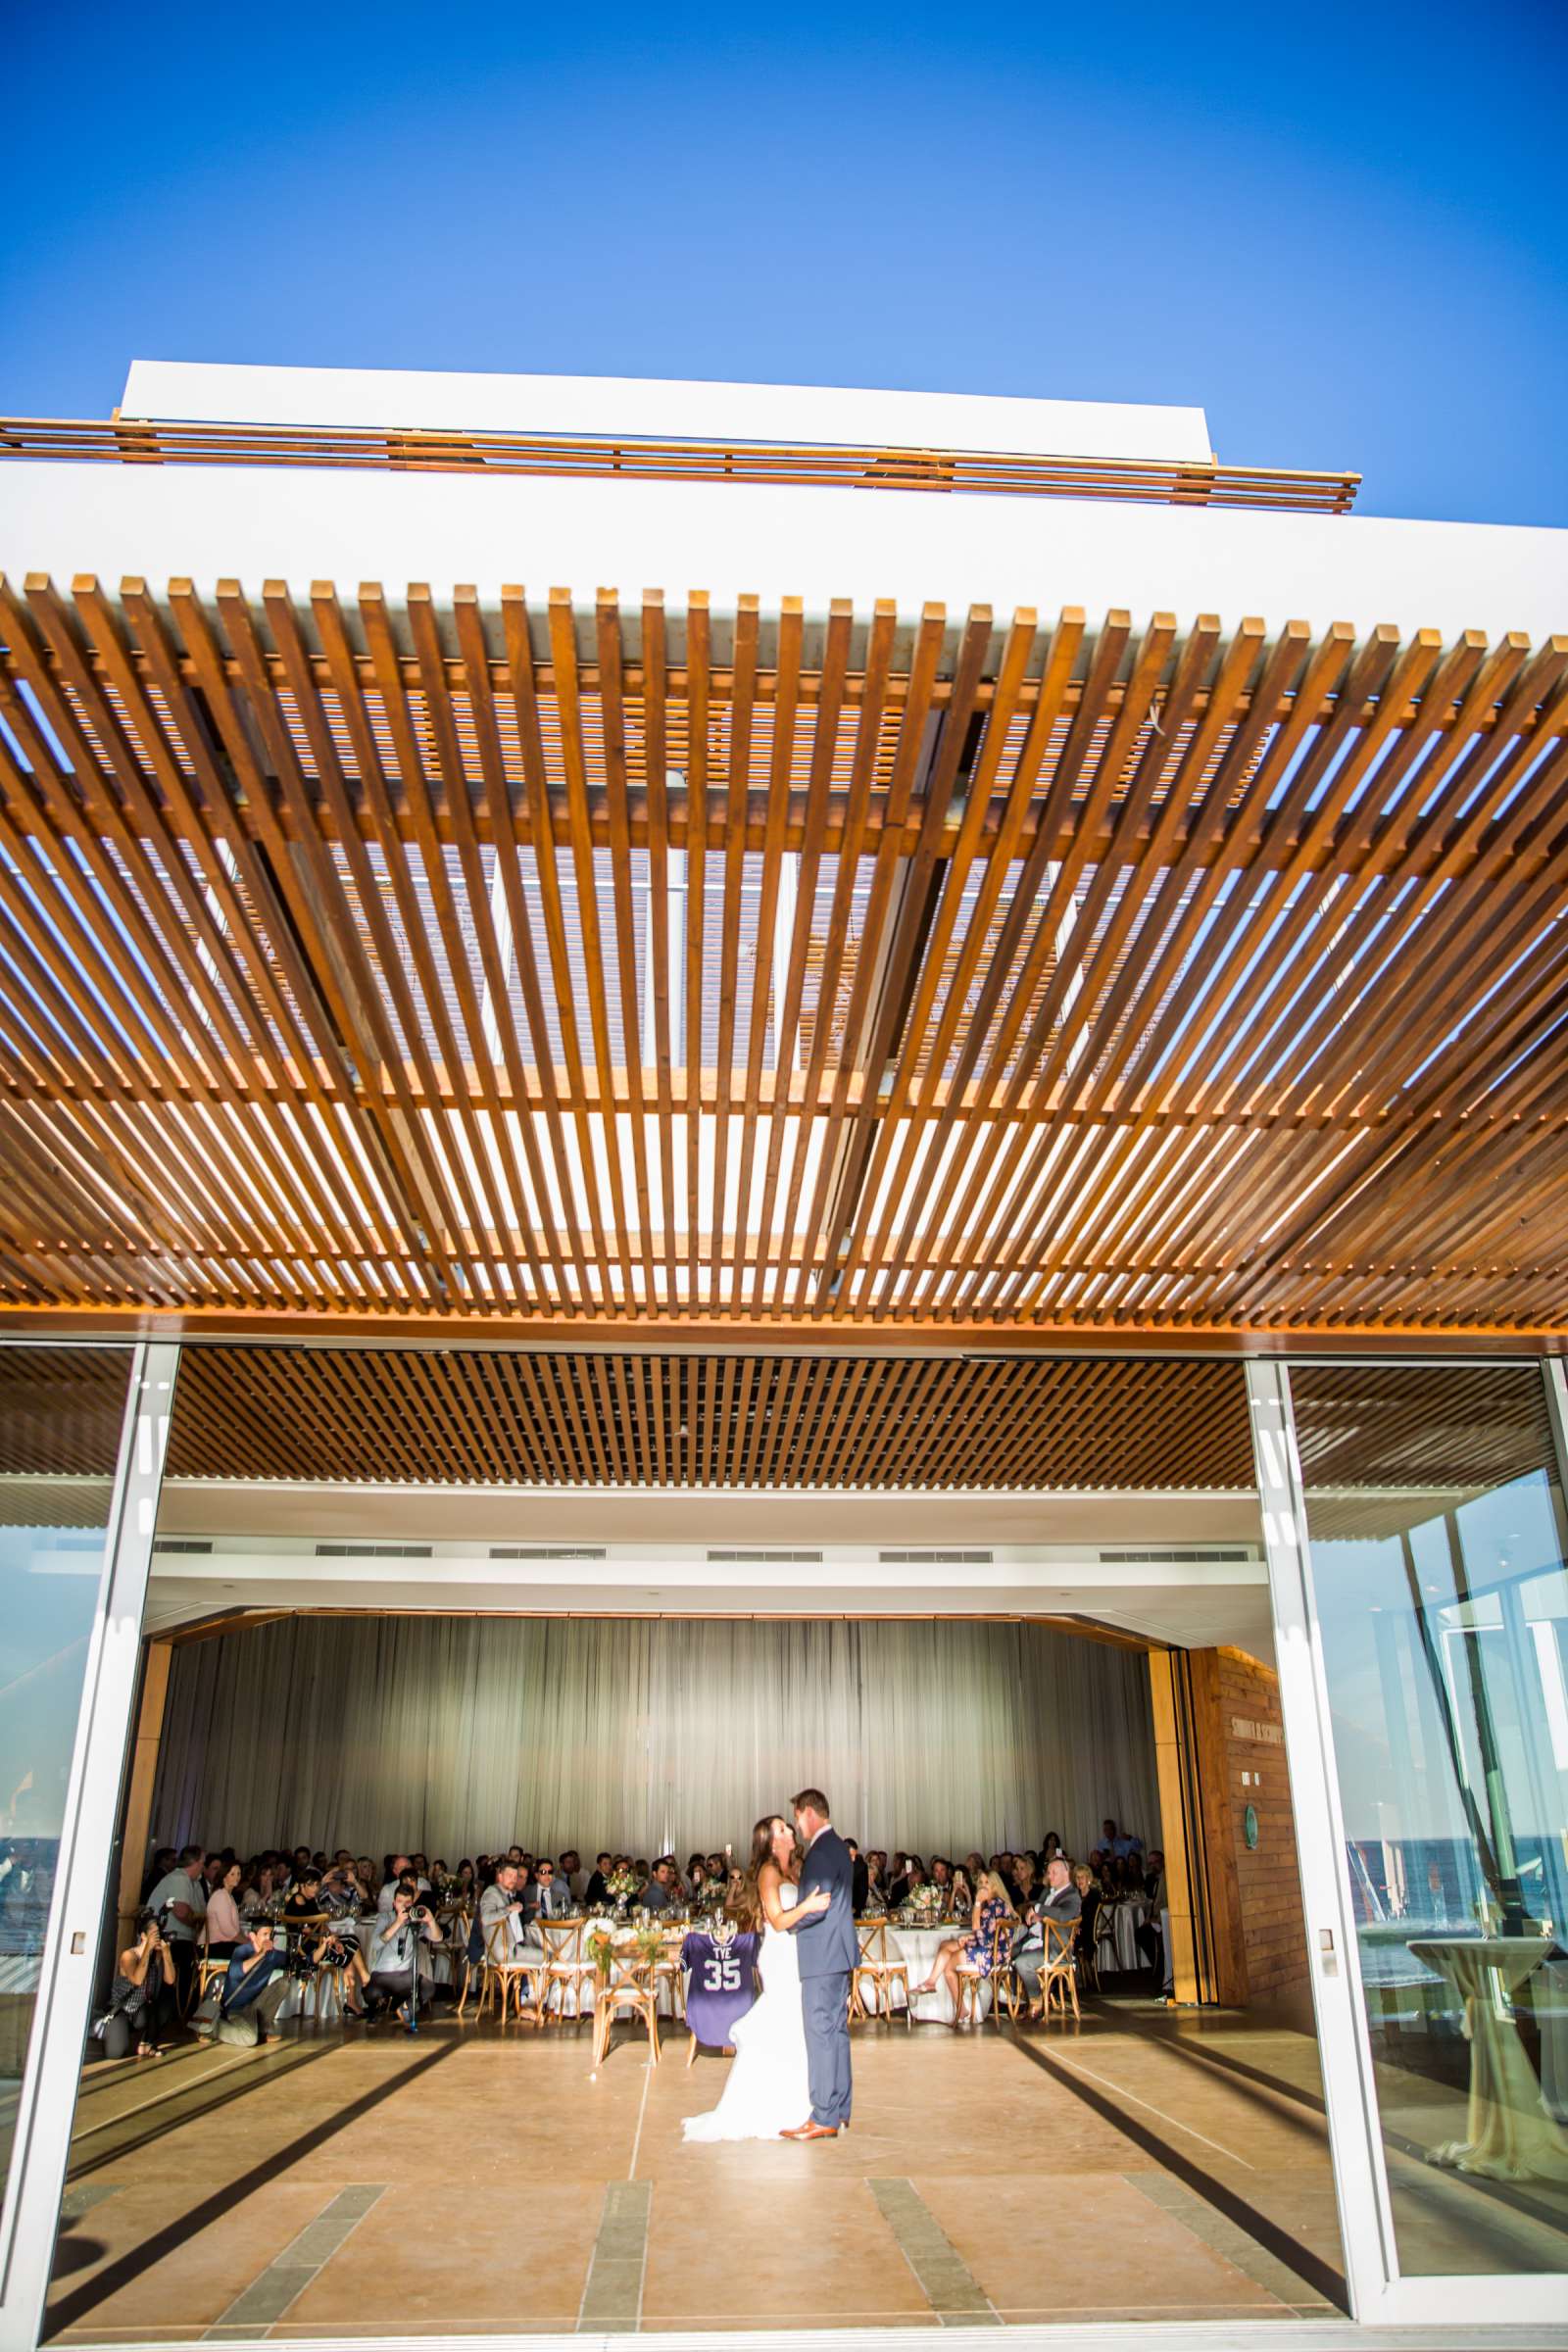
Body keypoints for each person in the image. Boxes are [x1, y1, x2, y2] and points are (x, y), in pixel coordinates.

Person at [682, 1813, 829, 2142]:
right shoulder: (769, 1871)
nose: (788, 1829)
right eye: (780, 1828)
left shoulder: (797, 1868)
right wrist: (811, 1906)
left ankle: (799, 2102)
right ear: (769, 1840)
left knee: (798, 2025)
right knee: (783, 2018)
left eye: (786, 1826)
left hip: (800, 1953)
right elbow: (776, 1920)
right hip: (780, 1956)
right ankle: (767, 2107)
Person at [786, 1788, 857, 2139]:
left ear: (809, 1812)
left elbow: (817, 1905)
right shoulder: (840, 1846)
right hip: (838, 1953)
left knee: (821, 2033)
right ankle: (840, 2109)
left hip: (822, 1955)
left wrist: (786, 1922)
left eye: (797, 1817)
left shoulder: (820, 1853)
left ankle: (824, 2115)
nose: (797, 1825)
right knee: (837, 2032)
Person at [909, 1870, 1014, 2021]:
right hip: (987, 1945)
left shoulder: (994, 1905)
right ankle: (931, 1981)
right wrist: (968, 1938)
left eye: (987, 1883)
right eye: (981, 1883)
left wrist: (977, 1903)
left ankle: (961, 2009)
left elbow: (979, 1932)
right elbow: (985, 1932)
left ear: (995, 1886)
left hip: (992, 1953)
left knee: (949, 1966)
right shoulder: (991, 1903)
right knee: (945, 1945)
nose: (983, 1887)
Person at [91, 1913, 175, 2059]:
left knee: (166, 2003)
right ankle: (98, 2027)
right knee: (115, 2053)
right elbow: (137, 1979)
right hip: (121, 2010)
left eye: (159, 1934)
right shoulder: (128, 1955)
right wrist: (148, 1950)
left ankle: (146, 2043)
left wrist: (167, 1954)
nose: (157, 1938)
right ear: (143, 1936)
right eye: (154, 1934)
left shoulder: (157, 1955)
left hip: (140, 2011)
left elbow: (170, 1980)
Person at [144, 1843, 208, 2016]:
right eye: (202, 1862)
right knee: (190, 1958)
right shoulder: (179, 1879)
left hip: (186, 1937)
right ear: (194, 1862)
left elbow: (203, 1912)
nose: (204, 1866)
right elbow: (181, 1911)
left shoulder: (194, 1884)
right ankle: (180, 2009)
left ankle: (191, 2008)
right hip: (168, 1937)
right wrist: (197, 1923)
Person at [1013, 1857, 1083, 2015]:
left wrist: (1038, 1908)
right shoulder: (1047, 1891)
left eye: (1054, 1873)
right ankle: (1016, 1999)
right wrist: (1037, 1915)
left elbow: (1063, 1914)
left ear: (1066, 1874)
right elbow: (1042, 1914)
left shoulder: (1072, 1895)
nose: (1049, 1876)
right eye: (1048, 1872)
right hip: (1035, 1940)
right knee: (1005, 1954)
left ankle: (1036, 2002)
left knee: (1023, 1962)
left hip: (1055, 1949)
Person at [368, 1884, 444, 2022]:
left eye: (407, 1902)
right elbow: (376, 1944)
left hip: (405, 1974)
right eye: (399, 1902)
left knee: (429, 1988)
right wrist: (398, 1922)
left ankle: (405, 2008)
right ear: (394, 1903)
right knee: (371, 1994)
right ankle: (379, 2008)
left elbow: (438, 1938)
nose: (403, 1906)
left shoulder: (415, 1920)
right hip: (382, 1973)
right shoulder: (385, 1918)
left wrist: (431, 1920)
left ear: (413, 1903)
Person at [204, 1860, 245, 1959]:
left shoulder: (228, 1896)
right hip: (216, 1946)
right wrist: (248, 1941)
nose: (237, 1877)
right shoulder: (221, 1895)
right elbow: (228, 1930)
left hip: (223, 1943)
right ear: (224, 1876)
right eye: (232, 1874)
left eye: (238, 1874)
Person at [847, 1838, 870, 1916]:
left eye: (855, 1855)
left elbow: (863, 1892)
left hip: (855, 1910)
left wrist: (857, 1909)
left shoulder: (861, 1867)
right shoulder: (834, 1865)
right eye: (851, 1855)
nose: (854, 1859)